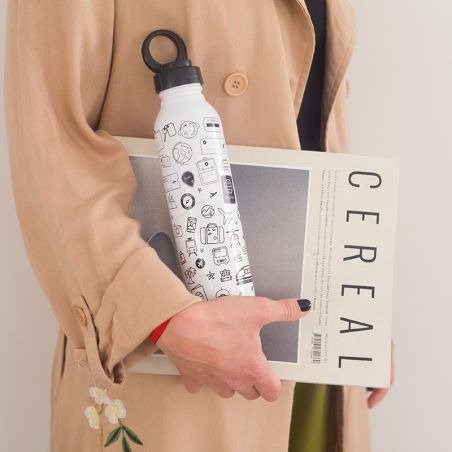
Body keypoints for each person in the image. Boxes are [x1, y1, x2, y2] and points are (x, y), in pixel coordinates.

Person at [4, 1, 393, 451]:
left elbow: (310, 117)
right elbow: (51, 145)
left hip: (311, 342)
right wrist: (161, 316)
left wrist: (357, 303)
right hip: (175, 356)